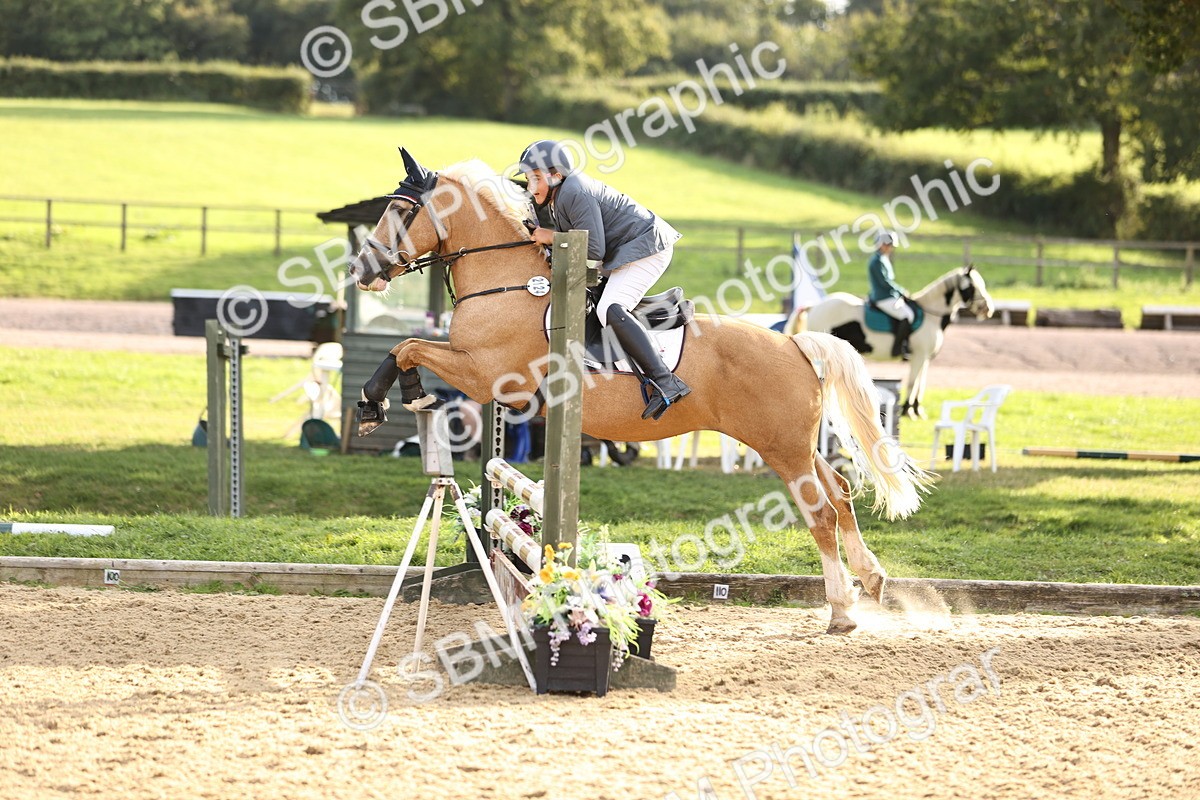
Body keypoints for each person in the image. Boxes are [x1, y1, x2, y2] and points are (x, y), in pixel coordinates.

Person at [515, 139, 690, 420]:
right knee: (595, 301)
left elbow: (594, 249)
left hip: (645, 247)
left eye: (535, 178)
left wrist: (550, 237)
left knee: (610, 308)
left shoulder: (573, 192)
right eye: (527, 178)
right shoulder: (559, 197)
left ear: (556, 175)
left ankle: (667, 382)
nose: (530, 186)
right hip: (625, 249)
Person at [867, 230, 913, 359]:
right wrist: (901, 291)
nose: (890, 248)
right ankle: (899, 348)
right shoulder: (877, 261)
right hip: (883, 297)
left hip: (888, 295)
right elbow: (885, 282)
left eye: (891, 246)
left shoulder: (882, 259)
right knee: (907, 315)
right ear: (882, 244)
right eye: (889, 245)